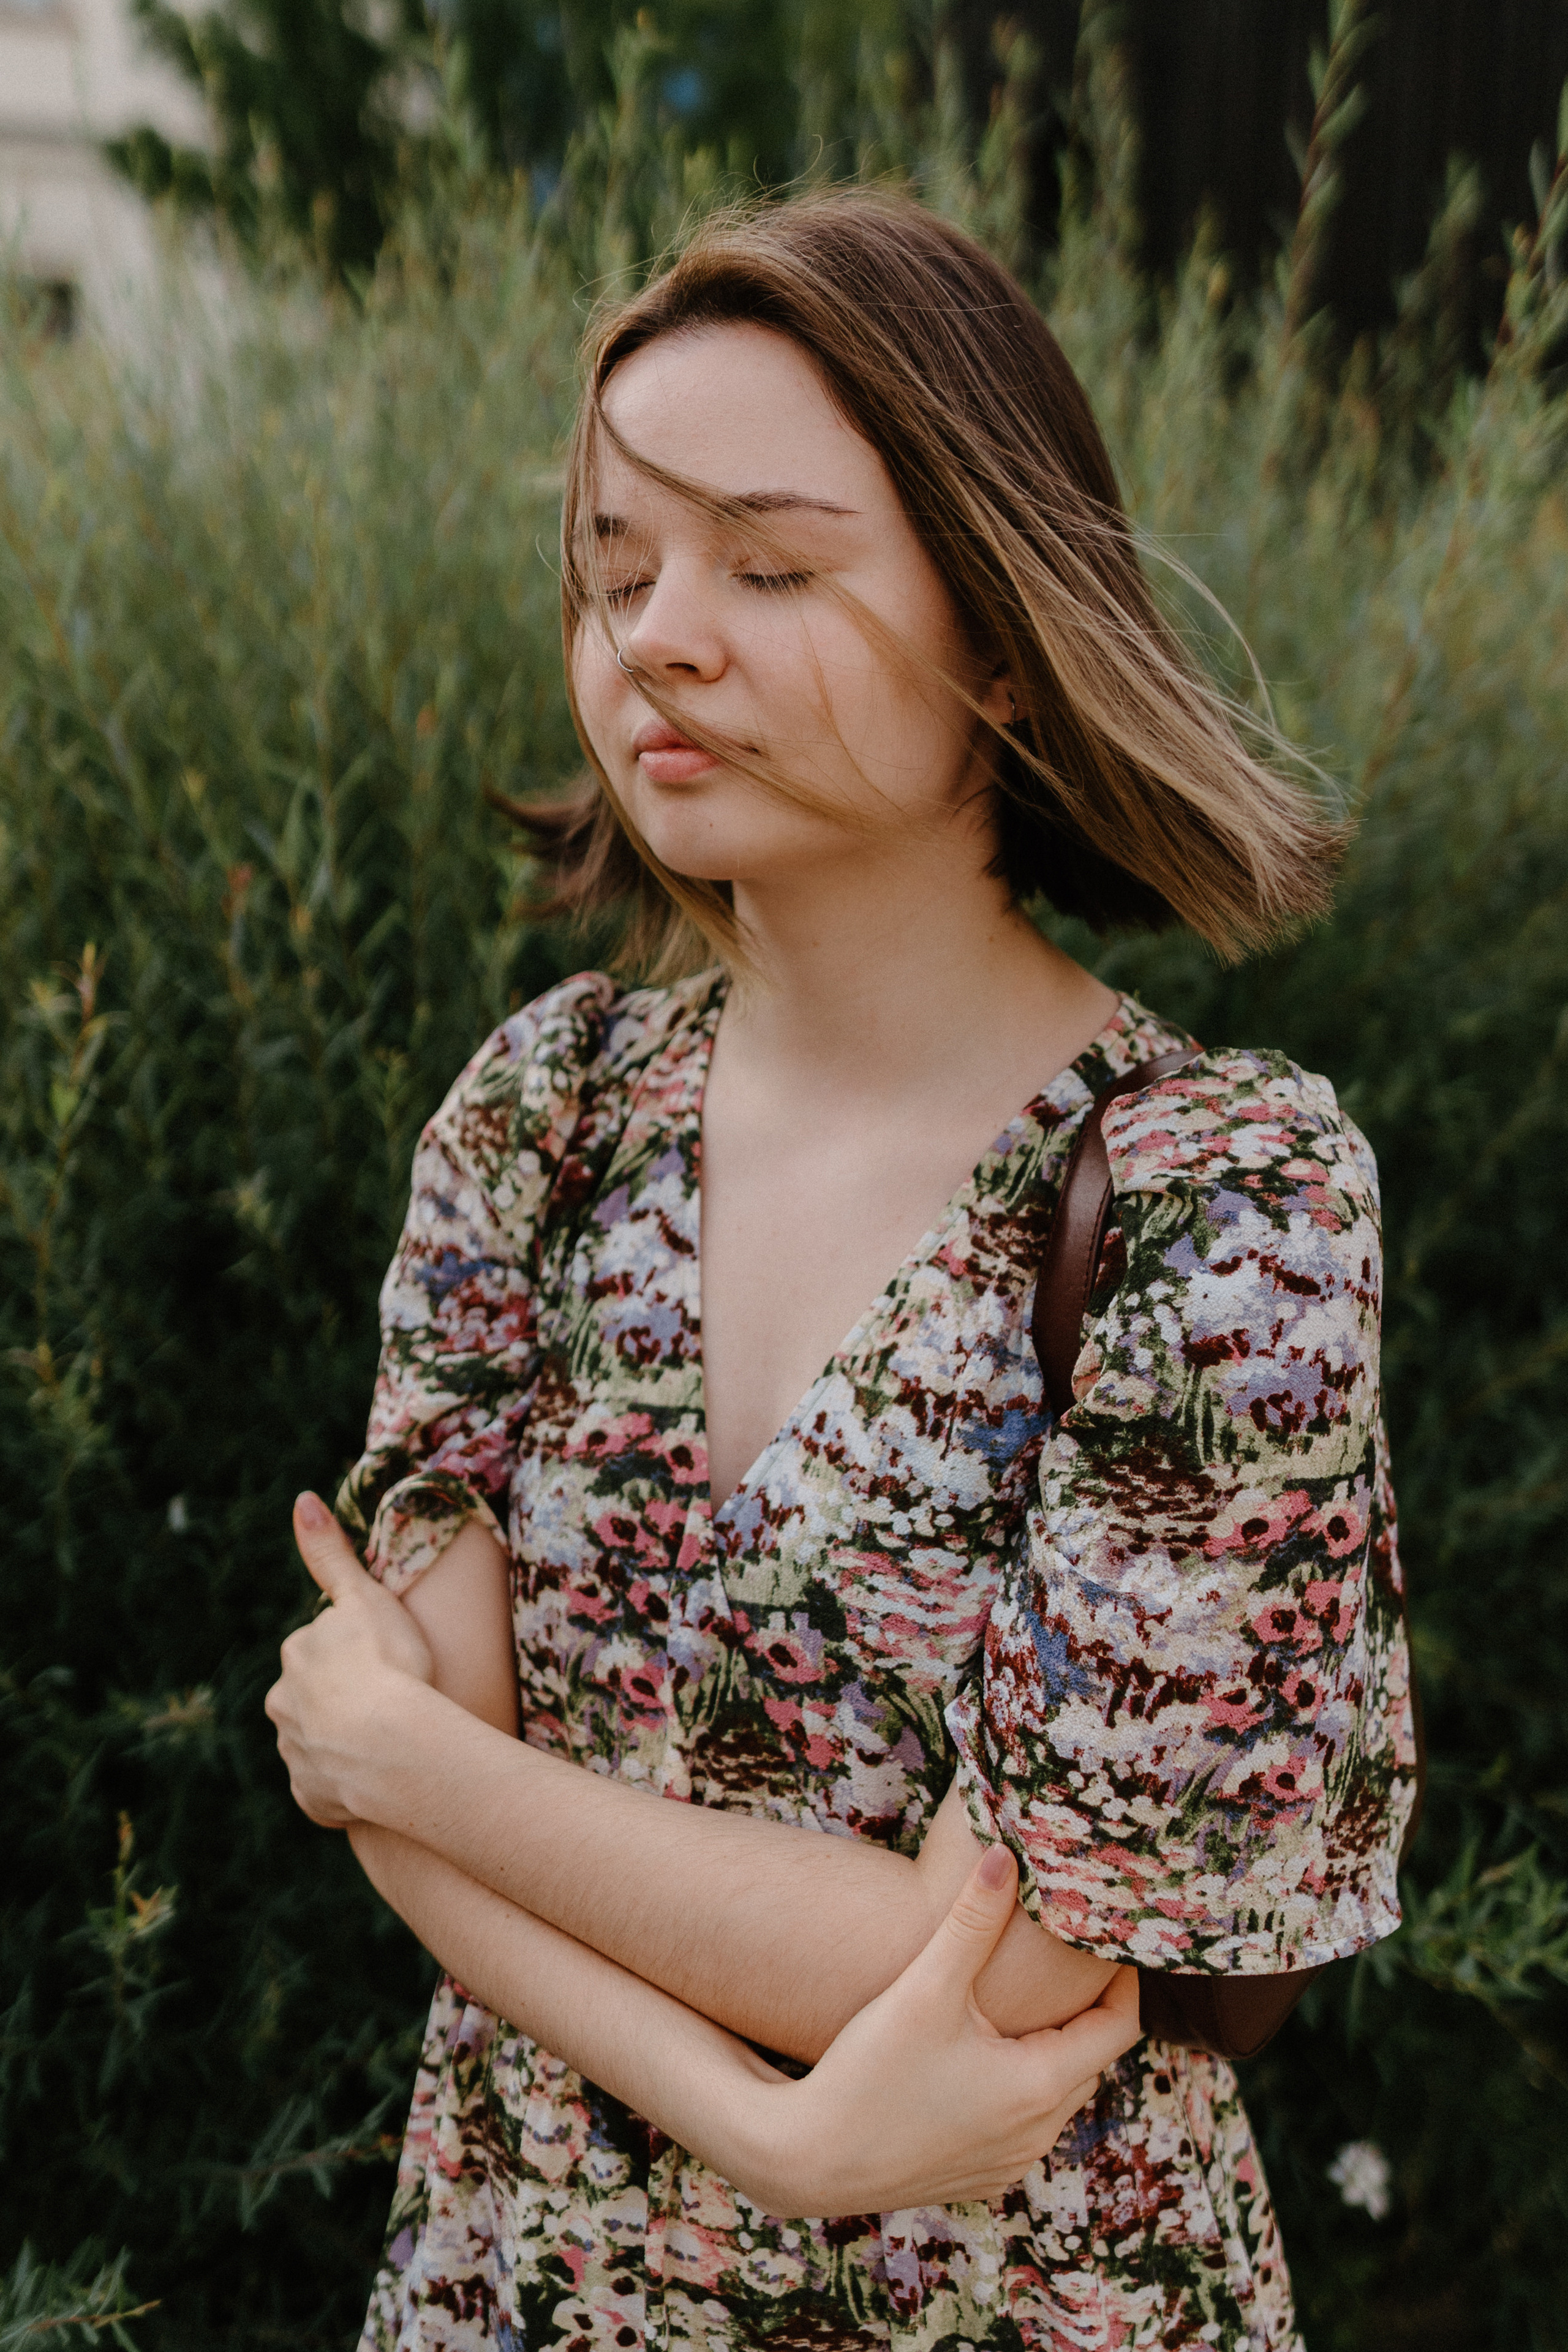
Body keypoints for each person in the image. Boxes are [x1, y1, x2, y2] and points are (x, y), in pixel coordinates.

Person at [265, 188, 1419, 2351]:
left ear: (998, 629)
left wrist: (418, 1772)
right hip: (512, 2284)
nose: (657, 637)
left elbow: (1004, 1969)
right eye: (616, 572)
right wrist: (773, 2124)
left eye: (769, 568)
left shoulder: (1214, 1202)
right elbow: (406, 1784)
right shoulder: (545, 1119)